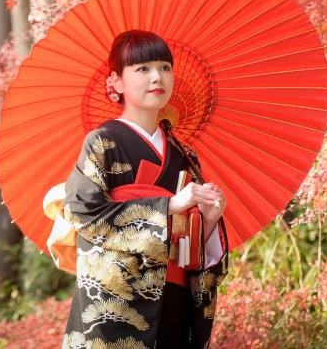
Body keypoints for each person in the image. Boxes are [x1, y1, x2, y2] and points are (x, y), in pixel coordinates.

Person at [62, 29, 228, 348]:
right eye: (143, 69)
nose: (158, 77)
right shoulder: (102, 143)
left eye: (165, 67)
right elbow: (83, 213)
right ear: (117, 82)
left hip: (177, 296)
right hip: (118, 304)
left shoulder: (184, 155)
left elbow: (191, 243)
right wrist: (168, 207)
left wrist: (207, 221)